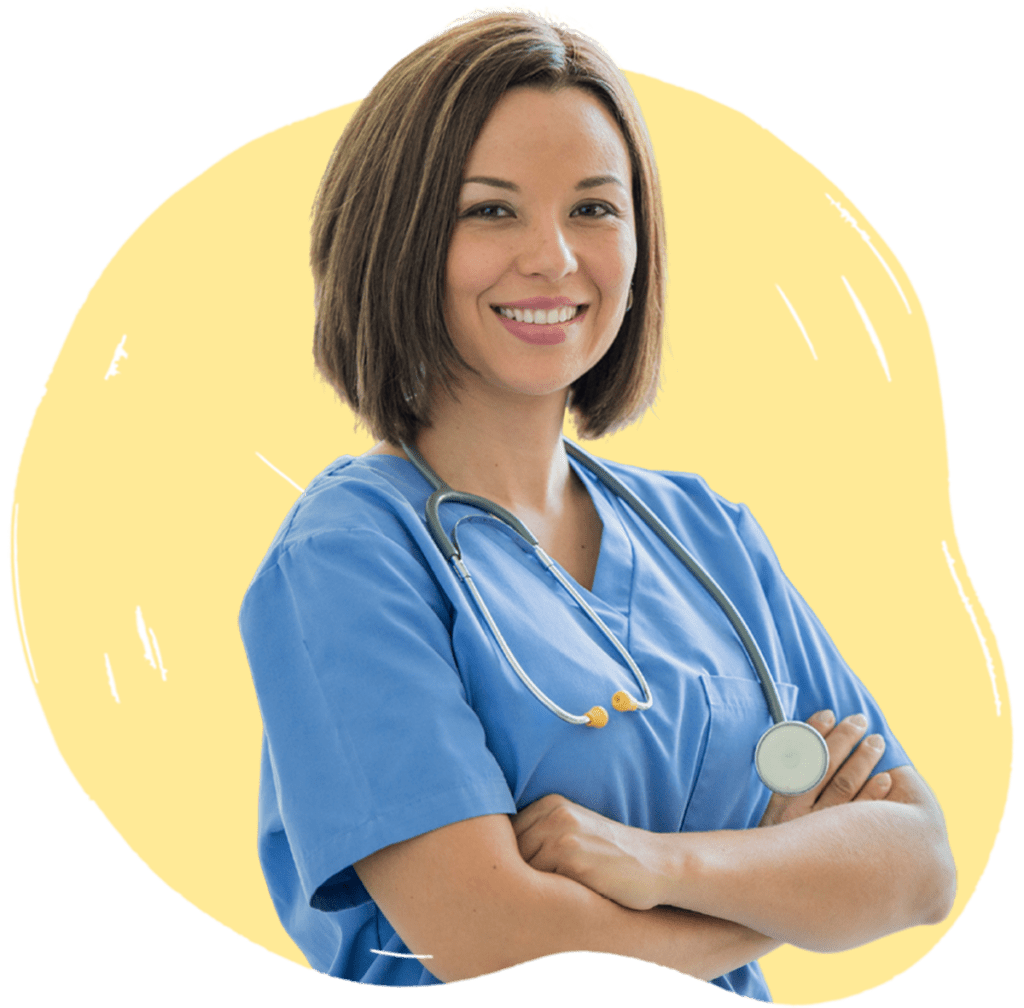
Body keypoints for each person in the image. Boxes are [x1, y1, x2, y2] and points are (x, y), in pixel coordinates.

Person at [239, 9, 955, 1000]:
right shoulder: (350, 557)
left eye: (594, 209)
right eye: (490, 211)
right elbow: (494, 942)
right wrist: (782, 892)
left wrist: (661, 866)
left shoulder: (702, 534)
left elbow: (917, 863)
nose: (555, 258)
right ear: (397, 237)